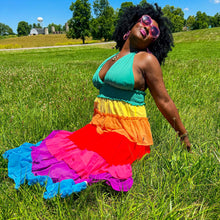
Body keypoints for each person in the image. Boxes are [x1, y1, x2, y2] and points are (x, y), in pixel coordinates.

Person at [3, 3, 191, 199]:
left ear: (154, 41)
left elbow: (164, 101)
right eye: (145, 20)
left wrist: (183, 135)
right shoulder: (114, 57)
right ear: (133, 22)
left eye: (154, 30)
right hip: (100, 126)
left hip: (126, 133)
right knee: (63, 150)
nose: (147, 27)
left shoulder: (146, 60)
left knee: (86, 161)